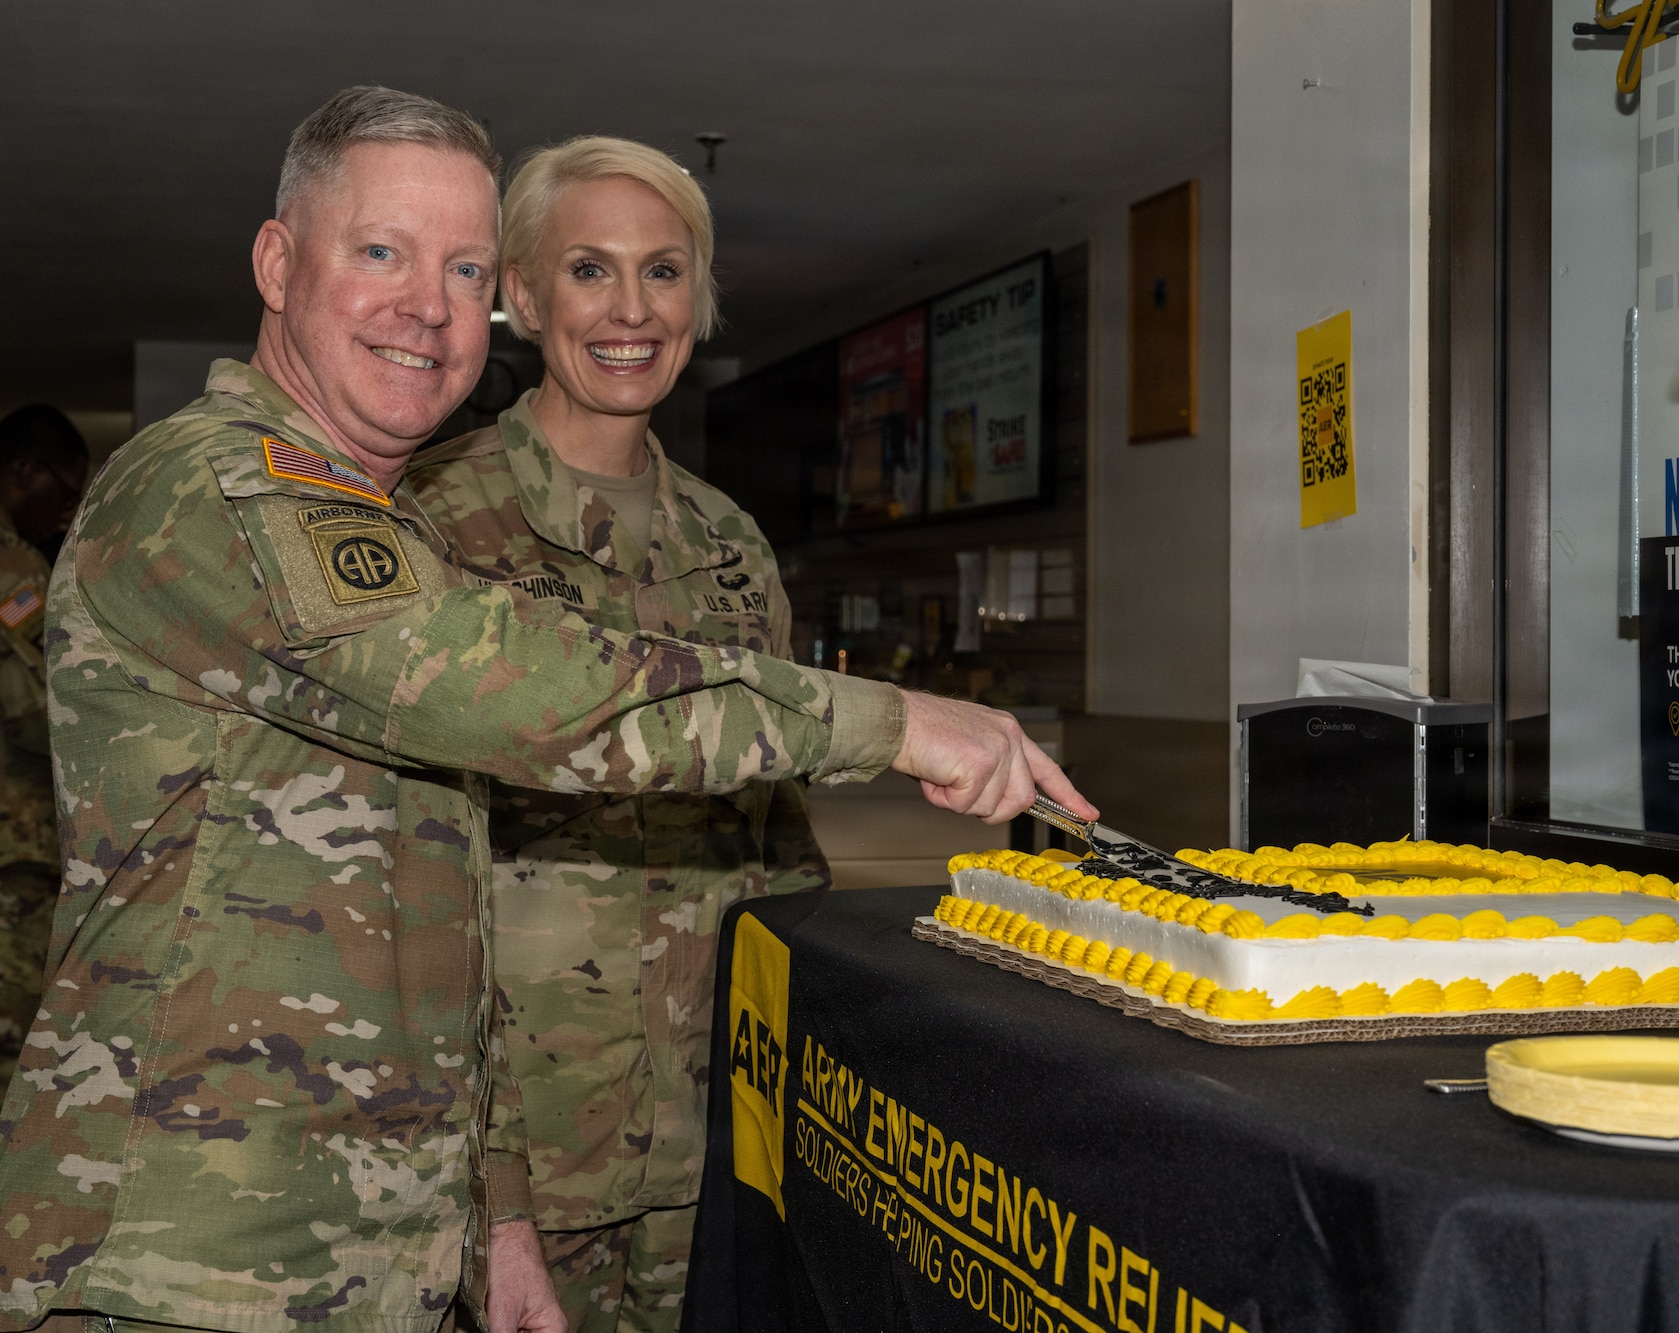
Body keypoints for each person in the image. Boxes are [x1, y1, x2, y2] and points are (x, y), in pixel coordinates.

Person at [0, 86, 1092, 1333]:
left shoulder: (387, 524)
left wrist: (494, 1215)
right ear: (275, 260)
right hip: (185, 1257)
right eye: (381, 252)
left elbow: (447, 923)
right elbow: (520, 692)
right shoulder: (212, 486)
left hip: (377, 1248)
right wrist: (892, 721)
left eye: (464, 271)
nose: (429, 305)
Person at [408, 135, 822, 1331]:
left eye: (664, 270)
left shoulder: (731, 544)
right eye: (588, 270)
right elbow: (411, 892)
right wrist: (493, 1199)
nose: (631, 310)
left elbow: (777, 850)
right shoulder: (438, 522)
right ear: (522, 297)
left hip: (711, 1149)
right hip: (523, 1162)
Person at [0, 406, 89, 1096]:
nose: (66, 513)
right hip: (16, 841)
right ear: (23, 470)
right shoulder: (12, 566)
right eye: (63, 490)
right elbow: (35, 706)